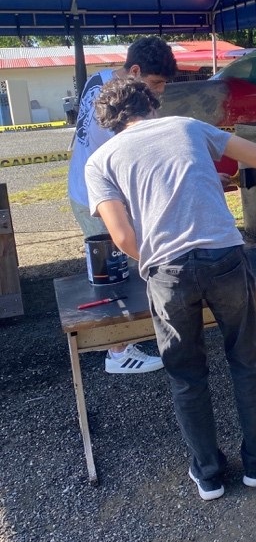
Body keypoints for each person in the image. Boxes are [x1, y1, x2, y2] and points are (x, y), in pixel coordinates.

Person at [84, 77, 256, 500]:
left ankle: (209, 474)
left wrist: (158, 263)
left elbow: (122, 237)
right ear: (152, 105)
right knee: (246, 359)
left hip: (167, 272)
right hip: (224, 255)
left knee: (186, 375)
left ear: (110, 123)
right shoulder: (188, 126)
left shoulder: (100, 161)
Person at [68, 36, 177, 375]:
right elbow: (139, 159)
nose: (159, 91)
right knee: (115, 270)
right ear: (135, 71)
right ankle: (118, 352)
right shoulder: (124, 109)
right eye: (156, 82)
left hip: (82, 186)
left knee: (117, 265)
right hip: (99, 195)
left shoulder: (100, 79)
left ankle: (129, 336)